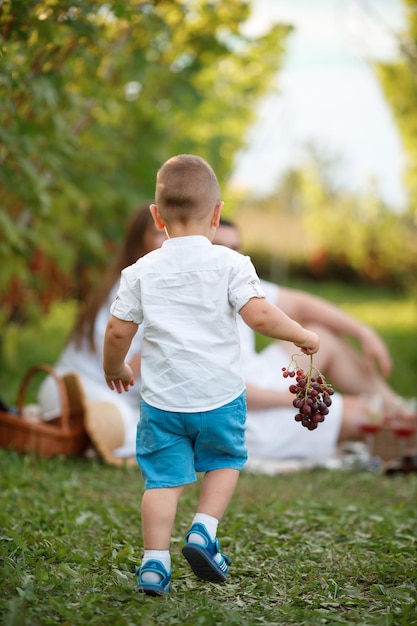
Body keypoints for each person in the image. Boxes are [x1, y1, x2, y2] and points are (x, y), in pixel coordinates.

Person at [103, 154, 320, 596]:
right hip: (220, 398)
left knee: (163, 481)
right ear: (218, 215)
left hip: (163, 404)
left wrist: (117, 367)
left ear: (156, 216)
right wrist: (301, 334)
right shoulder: (232, 264)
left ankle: (153, 564)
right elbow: (259, 315)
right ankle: (203, 529)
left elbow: (117, 330)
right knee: (224, 462)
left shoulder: (139, 271)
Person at [212, 219, 406, 464]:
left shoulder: (237, 284)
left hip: (257, 380)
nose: (230, 256)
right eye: (219, 246)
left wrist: (362, 331)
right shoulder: (188, 308)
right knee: (366, 415)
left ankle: (399, 408)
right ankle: (398, 432)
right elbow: (224, 391)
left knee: (321, 335)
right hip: (244, 417)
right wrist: (293, 399)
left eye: (235, 248)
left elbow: (301, 304)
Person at [37, 205, 166, 458]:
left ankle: (84, 435)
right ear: (140, 242)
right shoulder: (128, 286)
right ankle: (83, 431)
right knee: (142, 432)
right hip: (76, 390)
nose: (168, 243)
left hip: (110, 398)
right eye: (160, 234)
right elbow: (123, 363)